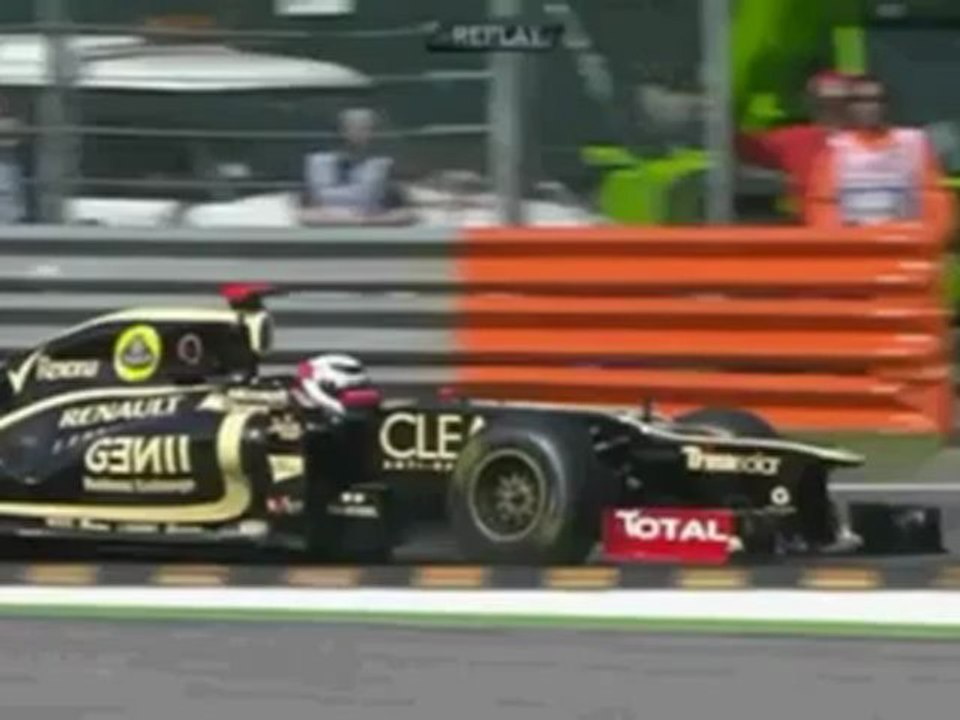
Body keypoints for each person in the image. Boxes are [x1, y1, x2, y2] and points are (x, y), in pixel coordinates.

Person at [804, 73, 956, 236]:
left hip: (905, 240)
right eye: (861, 101)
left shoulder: (913, 143)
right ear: (849, 107)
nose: (870, 107)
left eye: (876, 100)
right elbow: (823, 205)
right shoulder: (835, 148)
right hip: (855, 241)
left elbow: (934, 197)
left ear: (887, 105)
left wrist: (931, 236)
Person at [736, 70, 852, 222]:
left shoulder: (875, 140)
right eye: (823, 103)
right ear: (810, 103)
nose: (831, 109)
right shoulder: (796, 139)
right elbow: (743, 145)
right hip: (809, 228)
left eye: (839, 103)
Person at [298, 108, 416, 226]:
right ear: (341, 131)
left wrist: (365, 220)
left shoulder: (383, 166)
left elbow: (404, 212)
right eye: (352, 127)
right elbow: (303, 210)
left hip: (367, 229)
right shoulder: (317, 163)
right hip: (323, 229)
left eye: (365, 128)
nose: (358, 134)